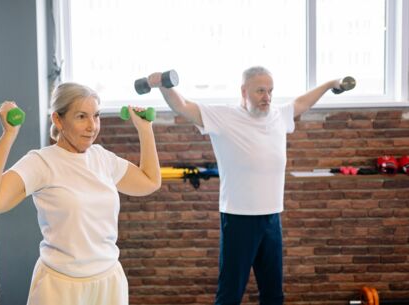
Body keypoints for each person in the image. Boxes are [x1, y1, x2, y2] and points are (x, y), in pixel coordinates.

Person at [146, 66, 346, 305]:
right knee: (230, 294)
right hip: (238, 218)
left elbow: (302, 103)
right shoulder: (224, 116)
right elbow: (183, 106)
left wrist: (329, 84)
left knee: (273, 294)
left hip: (272, 217)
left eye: (270, 91)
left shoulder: (277, 115)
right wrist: (163, 85)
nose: (267, 97)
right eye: (261, 91)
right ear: (243, 91)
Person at [0, 82, 161, 305]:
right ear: (58, 120)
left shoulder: (102, 158)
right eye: (81, 117)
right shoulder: (42, 162)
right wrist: (9, 134)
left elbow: (149, 181)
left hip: (109, 282)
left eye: (96, 116)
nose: (92, 126)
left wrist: (145, 129)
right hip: (60, 287)